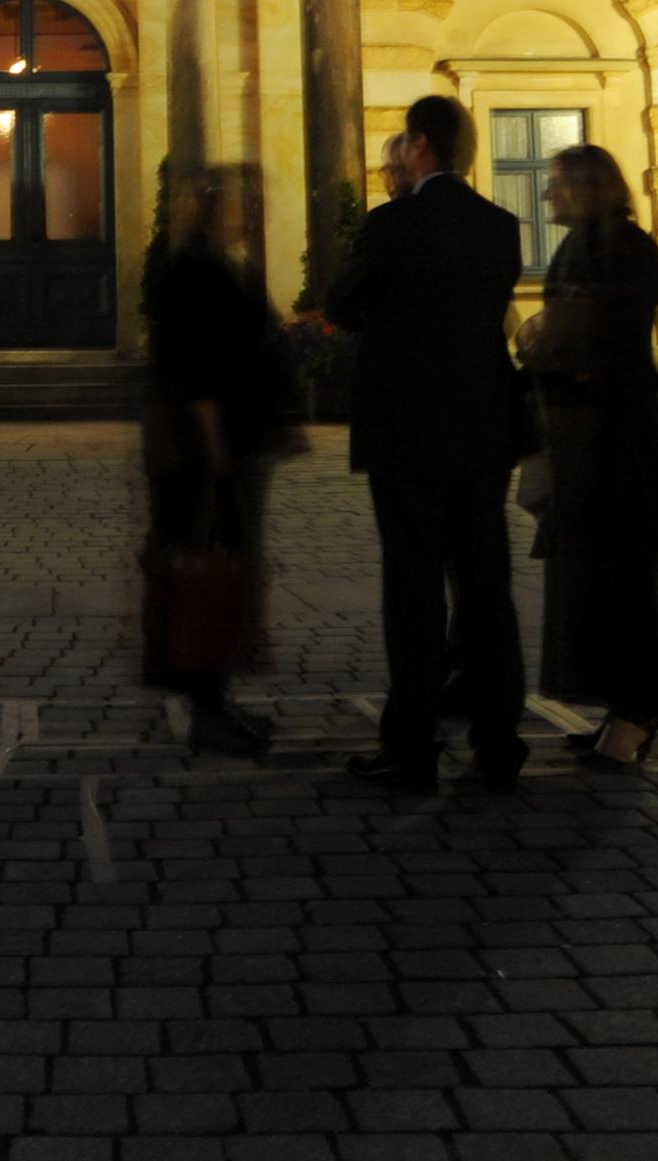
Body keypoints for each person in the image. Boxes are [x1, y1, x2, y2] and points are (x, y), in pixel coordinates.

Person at [323, 94, 528, 794]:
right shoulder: (500, 227)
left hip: (406, 428)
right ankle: (498, 740)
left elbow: (340, 302)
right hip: (480, 428)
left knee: (412, 588)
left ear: (418, 146)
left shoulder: (392, 224)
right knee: (485, 588)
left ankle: (410, 747)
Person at [524, 143, 658, 770]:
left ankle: (637, 713)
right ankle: (622, 708)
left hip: (610, 438)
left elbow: (584, 329)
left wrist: (545, 333)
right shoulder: (602, 242)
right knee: (597, 574)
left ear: (588, 187)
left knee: (621, 577)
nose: (546, 194)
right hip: (593, 433)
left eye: (557, 183)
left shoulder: (616, 246)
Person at [142, 164, 291, 758]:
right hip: (202, 451)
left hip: (221, 443)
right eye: (243, 202)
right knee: (207, 567)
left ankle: (212, 697)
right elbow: (198, 367)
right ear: (211, 207)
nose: (254, 211)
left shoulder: (223, 265)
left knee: (221, 568)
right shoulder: (194, 270)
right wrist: (217, 453)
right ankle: (205, 702)